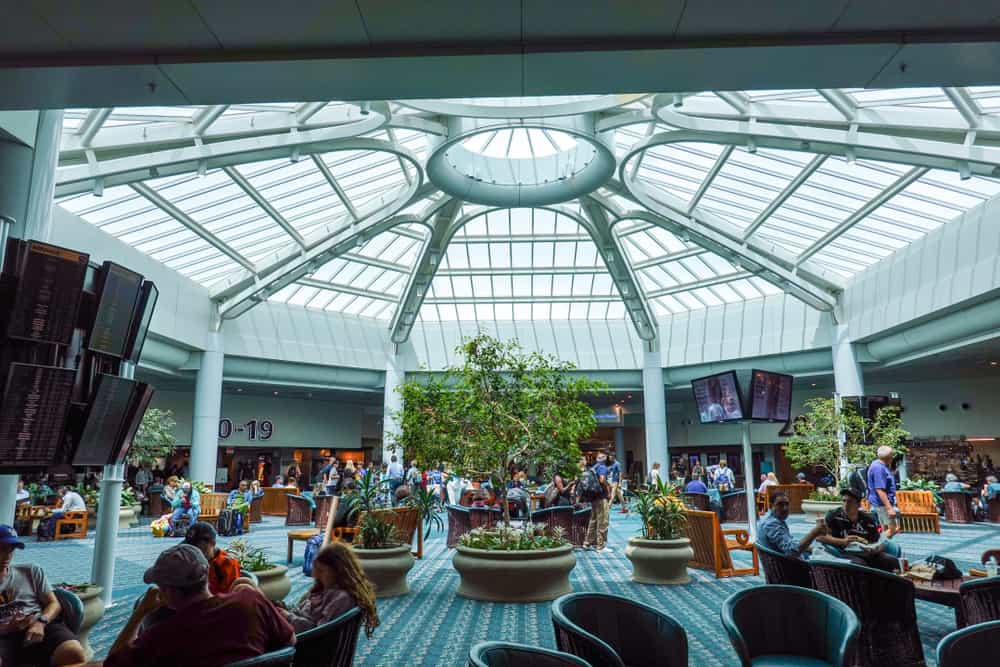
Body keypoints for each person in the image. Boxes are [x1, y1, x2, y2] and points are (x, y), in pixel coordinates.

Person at [102, 544, 295, 667]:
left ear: (166, 592)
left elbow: (113, 663)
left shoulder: (161, 636)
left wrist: (139, 613)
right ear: (207, 574)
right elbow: (290, 640)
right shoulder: (251, 601)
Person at [0, 525, 87, 666]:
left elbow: (54, 603)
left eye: (12, 549)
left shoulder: (31, 571)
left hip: (40, 626)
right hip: (3, 637)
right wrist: (6, 629)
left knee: (74, 653)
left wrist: (41, 622)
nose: (8, 555)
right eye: (2, 549)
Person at [276, 541, 379, 637]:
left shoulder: (341, 598)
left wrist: (288, 617)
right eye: (316, 569)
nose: (314, 574)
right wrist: (285, 609)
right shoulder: (322, 591)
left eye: (321, 571)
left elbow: (320, 632)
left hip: (305, 645)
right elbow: (303, 614)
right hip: (295, 633)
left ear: (338, 571)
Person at [817, 487, 900, 572]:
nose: (846, 505)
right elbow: (820, 537)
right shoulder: (834, 516)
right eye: (844, 501)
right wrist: (843, 541)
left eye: (850, 502)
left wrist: (877, 548)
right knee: (861, 566)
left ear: (858, 505)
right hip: (844, 552)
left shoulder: (868, 519)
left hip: (868, 552)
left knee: (893, 562)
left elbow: (879, 541)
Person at [757, 492, 827, 558]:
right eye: (780, 504)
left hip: (779, 561)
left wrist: (811, 548)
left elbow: (789, 543)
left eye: (787, 504)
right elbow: (792, 551)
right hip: (787, 566)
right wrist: (814, 533)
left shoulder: (771, 518)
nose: (785, 508)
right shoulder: (771, 524)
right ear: (771, 505)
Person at [184, 522, 241, 595]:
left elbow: (231, 597)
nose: (194, 552)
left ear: (212, 543)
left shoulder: (227, 564)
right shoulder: (190, 560)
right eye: (191, 547)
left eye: (199, 548)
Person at [867, 445, 900, 538]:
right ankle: (876, 545)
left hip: (880, 503)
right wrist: (889, 508)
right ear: (889, 457)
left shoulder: (878, 465)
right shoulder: (879, 468)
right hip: (881, 504)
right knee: (893, 529)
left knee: (885, 529)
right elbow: (880, 489)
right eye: (892, 455)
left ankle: (882, 548)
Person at [583, 454, 611, 551]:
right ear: (605, 459)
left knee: (593, 520)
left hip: (593, 497)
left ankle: (587, 543)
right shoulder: (603, 467)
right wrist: (608, 487)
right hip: (601, 497)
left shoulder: (593, 467)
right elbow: (602, 480)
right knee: (603, 521)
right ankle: (601, 546)